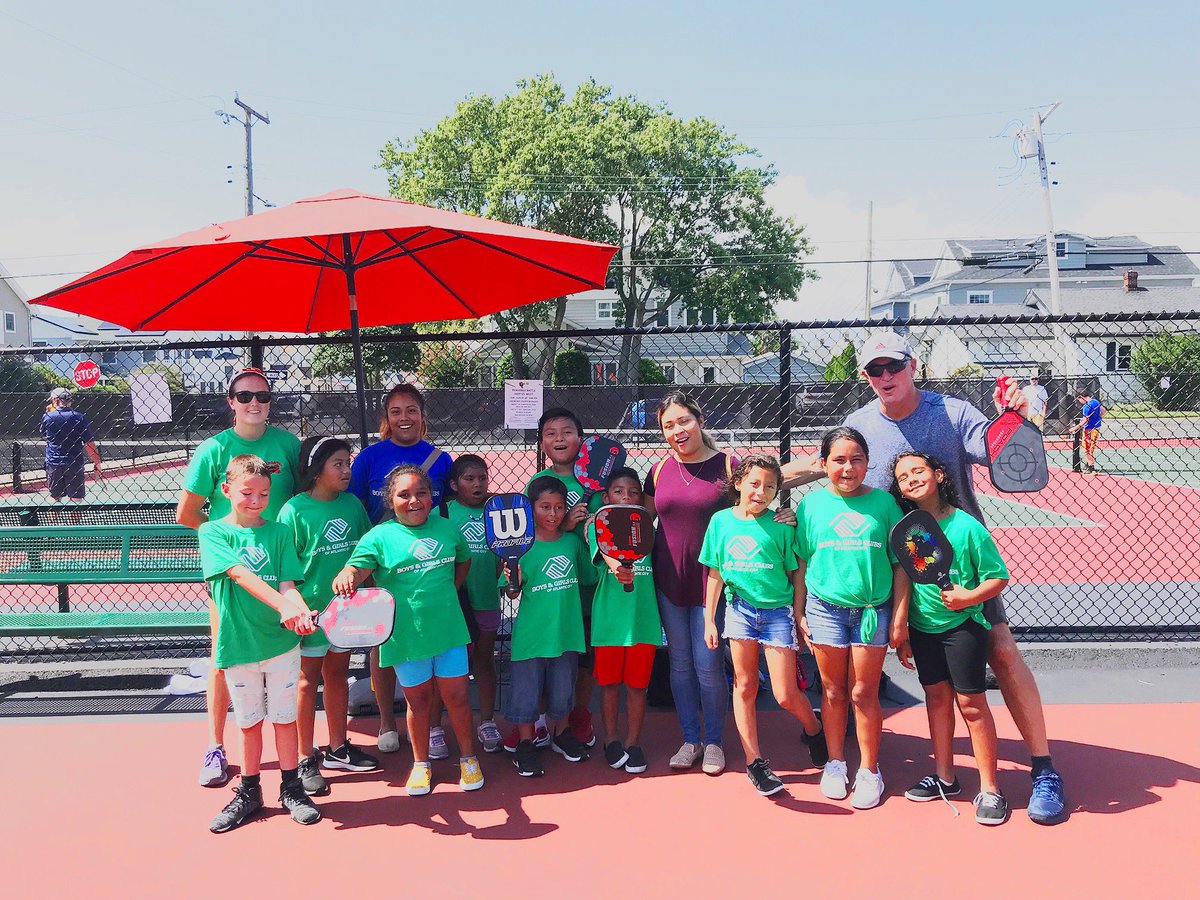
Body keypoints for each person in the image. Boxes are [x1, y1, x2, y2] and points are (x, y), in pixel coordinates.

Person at [781, 332, 1068, 825]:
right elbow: (826, 466)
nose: (885, 376)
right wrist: (745, 482)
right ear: (866, 376)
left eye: (893, 365)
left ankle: (1043, 768)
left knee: (1001, 653)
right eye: (874, 370)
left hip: (959, 571)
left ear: (913, 365)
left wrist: (1020, 412)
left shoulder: (951, 413)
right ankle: (928, 770)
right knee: (928, 685)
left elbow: (1001, 447)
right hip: (895, 579)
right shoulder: (859, 423)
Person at [177, 367, 301, 790]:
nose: (254, 403)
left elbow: (301, 501)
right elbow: (188, 513)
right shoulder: (213, 449)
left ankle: (297, 759)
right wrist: (228, 550)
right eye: (244, 395)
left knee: (287, 661)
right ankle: (215, 746)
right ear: (230, 401)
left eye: (262, 397)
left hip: (283, 568)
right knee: (223, 657)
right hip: (233, 581)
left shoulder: (287, 445)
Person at [334, 464, 483, 797]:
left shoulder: (447, 529)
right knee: (419, 703)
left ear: (432, 496)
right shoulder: (379, 536)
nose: (414, 501)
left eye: (422, 493)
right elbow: (357, 567)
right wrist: (348, 576)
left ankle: (469, 759)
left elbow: (464, 560)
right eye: (404, 495)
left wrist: (449, 591)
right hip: (405, 636)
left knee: (457, 699)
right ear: (391, 499)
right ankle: (421, 764)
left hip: (449, 632)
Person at [198, 455, 319, 833]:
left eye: (264, 494)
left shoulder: (280, 533)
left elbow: (288, 585)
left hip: (281, 647)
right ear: (226, 490)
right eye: (247, 492)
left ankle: (291, 788)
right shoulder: (213, 532)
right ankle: (250, 792)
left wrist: (299, 609)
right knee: (249, 724)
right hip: (238, 646)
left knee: (285, 720)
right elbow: (239, 574)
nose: (255, 500)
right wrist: (284, 605)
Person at [892, 451, 1010, 825]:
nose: (911, 479)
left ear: (939, 475)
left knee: (971, 704)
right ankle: (946, 777)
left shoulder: (968, 527)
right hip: (922, 630)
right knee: (937, 699)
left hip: (964, 629)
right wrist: (904, 630)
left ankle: (990, 788)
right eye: (903, 476)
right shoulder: (910, 529)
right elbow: (907, 581)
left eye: (918, 471)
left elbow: (998, 577)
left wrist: (968, 597)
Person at [700, 454, 828, 797]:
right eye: (754, 483)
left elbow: (795, 575)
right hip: (739, 612)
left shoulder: (782, 526)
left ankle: (814, 729)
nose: (761, 492)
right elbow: (715, 573)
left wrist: (799, 615)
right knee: (744, 686)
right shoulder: (720, 522)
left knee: (785, 694)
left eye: (770, 486)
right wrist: (709, 620)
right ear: (739, 483)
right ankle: (755, 761)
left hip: (776, 616)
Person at [796, 428, 908, 810]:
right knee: (832, 691)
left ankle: (869, 771)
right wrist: (799, 612)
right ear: (824, 463)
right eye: (839, 460)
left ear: (867, 462)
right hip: (824, 609)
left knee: (863, 693)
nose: (848, 467)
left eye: (856, 459)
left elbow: (900, 565)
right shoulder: (809, 507)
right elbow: (801, 562)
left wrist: (899, 616)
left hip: (872, 611)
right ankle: (835, 763)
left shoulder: (885, 504)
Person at [348, 383, 453, 755]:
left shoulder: (440, 459)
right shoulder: (369, 458)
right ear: (386, 418)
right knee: (384, 641)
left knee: (432, 640)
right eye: (396, 411)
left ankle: (432, 725)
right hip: (384, 561)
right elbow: (354, 505)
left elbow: (449, 510)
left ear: (423, 416)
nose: (404, 417)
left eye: (411, 410)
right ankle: (386, 722)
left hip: (427, 564)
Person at [278, 436, 379, 799]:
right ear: (316, 470)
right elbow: (284, 566)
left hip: (345, 614)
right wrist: (298, 608)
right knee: (307, 681)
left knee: (337, 674)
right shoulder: (293, 511)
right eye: (338, 463)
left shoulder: (352, 504)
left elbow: (366, 552)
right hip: (310, 614)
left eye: (347, 462)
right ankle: (306, 756)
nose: (346, 470)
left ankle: (337, 748)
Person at [642, 391, 735, 776]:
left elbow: (753, 509)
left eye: (684, 421)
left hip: (712, 584)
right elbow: (642, 524)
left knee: (708, 663)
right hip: (669, 582)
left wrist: (781, 516)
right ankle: (690, 739)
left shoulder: (729, 465)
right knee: (679, 665)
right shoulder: (659, 471)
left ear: (699, 420)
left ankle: (714, 741)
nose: (678, 430)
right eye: (668, 425)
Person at [517, 407, 604, 751]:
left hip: (591, 586)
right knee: (545, 658)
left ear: (581, 439)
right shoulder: (536, 486)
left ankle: (575, 715)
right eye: (550, 434)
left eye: (566, 432)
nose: (559, 439)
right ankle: (537, 722)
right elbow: (529, 537)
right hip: (551, 595)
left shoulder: (597, 484)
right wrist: (566, 525)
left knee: (581, 660)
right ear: (541, 443)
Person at [503, 476, 598, 777]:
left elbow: (589, 576)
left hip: (566, 635)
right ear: (530, 510)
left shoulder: (571, 543)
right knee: (526, 694)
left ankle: (562, 734)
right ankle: (527, 743)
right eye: (545, 507)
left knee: (562, 692)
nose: (553, 514)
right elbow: (512, 592)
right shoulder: (521, 548)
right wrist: (512, 581)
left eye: (559, 507)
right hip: (531, 638)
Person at [585, 467, 662, 775]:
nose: (626, 497)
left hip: (643, 621)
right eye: (619, 491)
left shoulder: (648, 527)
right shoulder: (596, 526)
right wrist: (618, 567)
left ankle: (633, 742)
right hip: (609, 623)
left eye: (633, 492)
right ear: (606, 497)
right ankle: (611, 739)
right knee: (610, 685)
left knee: (637, 687)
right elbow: (607, 556)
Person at [440, 454, 504, 754]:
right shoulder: (443, 513)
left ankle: (487, 721)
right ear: (454, 484)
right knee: (450, 667)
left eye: (482, 478)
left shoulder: (498, 509)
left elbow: (507, 551)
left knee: (484, 660)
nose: (477, 484)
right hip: (453, 603)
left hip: (487, 598)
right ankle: (436, 727)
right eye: (469, 479)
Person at [39, 387, 101, 501]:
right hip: (74, 462)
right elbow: (89, 443)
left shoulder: (47, 417)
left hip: (54, 462)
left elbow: (43, 433)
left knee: (54, 497)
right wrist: (97, 462)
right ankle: (73, 519)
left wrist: (49, 413)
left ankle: (52, 519)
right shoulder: (79, 417)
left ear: (55, 400)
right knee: (76, 499)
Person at [1068, 389, 1103, 475]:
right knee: (1090, 447)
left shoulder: (1087, 406)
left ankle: (1092, 468)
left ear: (1081, 397)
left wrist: (1074, 428)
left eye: (1078, 399)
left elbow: (1085, 420)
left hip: (1089, 429)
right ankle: (1089, 464)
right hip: (1097, 428)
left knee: (1087, 449)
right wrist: (1098, 419)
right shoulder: (1096, 402)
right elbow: (1103, 410)